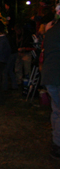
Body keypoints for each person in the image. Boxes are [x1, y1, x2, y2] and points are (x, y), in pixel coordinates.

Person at [41, 18, 60, 160]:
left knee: (56, 110)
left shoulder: (50, 33)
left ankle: (56, 143)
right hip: (57, 75)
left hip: (50, 75)